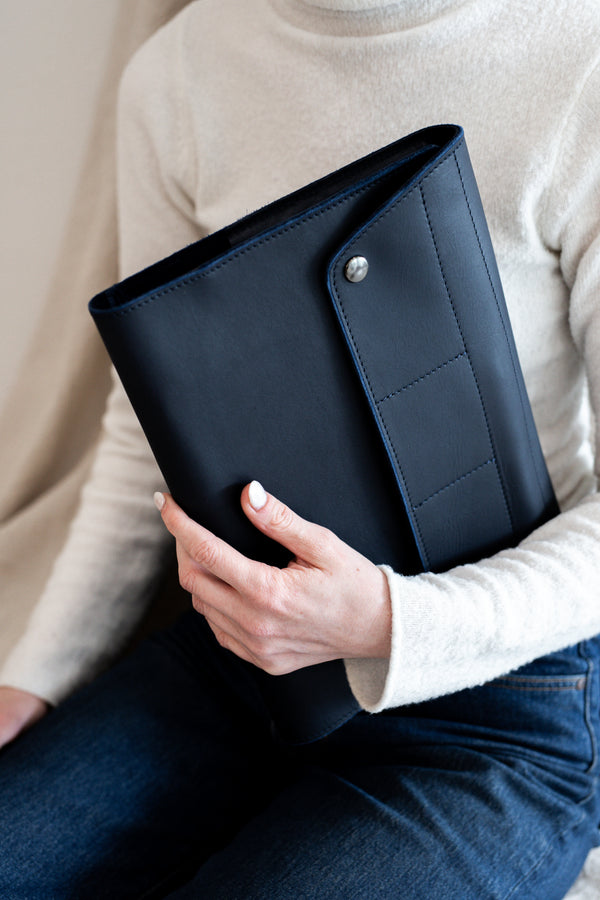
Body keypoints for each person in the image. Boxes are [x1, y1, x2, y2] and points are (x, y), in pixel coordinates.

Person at [1, 0, 600, 896]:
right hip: (238, 667)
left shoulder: (577, 57)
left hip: (496, 706)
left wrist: (387, 624)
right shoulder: (179, 76)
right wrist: (33, 681)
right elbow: (143, 436)